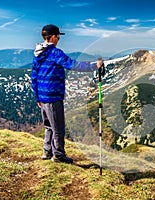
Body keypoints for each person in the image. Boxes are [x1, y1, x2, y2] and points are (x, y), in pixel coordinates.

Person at [31, 24, 103, 164]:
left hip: (43, 96)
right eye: (58, 37)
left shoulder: (37, 54)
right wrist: (95, 66)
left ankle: (47, 152)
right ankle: (58, 155)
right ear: (52, 37)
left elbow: (34, 76)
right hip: (53, 96)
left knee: (49, 126)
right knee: (58, 127)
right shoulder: (55, 53)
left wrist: (37, 96)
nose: (58, 39)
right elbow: (73, 65)